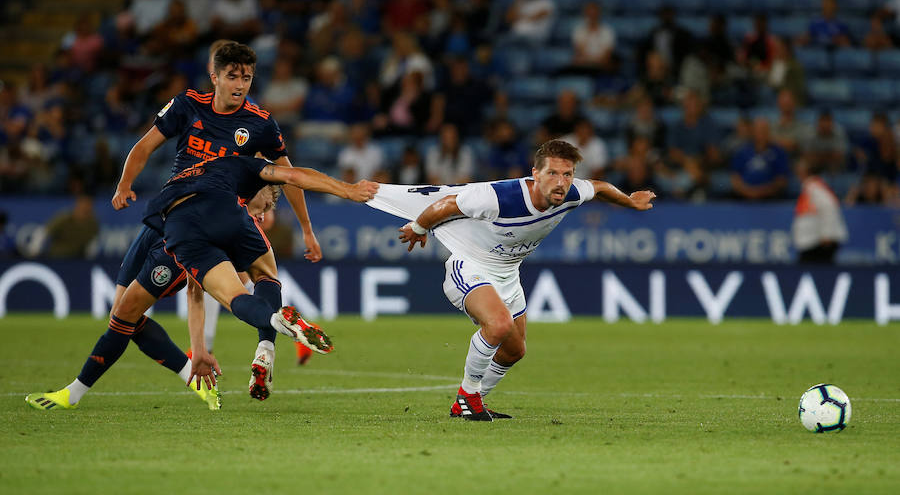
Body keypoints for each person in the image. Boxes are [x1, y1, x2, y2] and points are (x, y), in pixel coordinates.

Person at [367, 140, 655, 420]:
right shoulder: (501, 196)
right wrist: (419, 227)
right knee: (499, 324)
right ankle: (467, 399)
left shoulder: (571, 193)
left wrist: (630, 202)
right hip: (470, 264)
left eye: (567, 174)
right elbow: (448, 204)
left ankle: (470, 400)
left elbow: (601, 188)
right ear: (536, 174)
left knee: (515, 350)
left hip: (508, 273)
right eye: (552, 173)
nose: (560, 182)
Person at [109, 42, 322, 399]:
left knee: (219, 281)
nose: (240, 85)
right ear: (215, 76)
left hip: (211, 217)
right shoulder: (188, 105)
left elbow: (291, 175)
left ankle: (217, 355)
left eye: (248, 78)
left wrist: (307, 229)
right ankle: (241, 347)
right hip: (168, 213)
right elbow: (145, 145)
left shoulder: (259, 122)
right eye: (233, 76)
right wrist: (124, 184)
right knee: (121, 314)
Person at [24, 185, 279, 411]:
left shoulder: (229, 215)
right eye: (266, 203)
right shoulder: (223, 196)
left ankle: (72, 394)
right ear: (255, 189)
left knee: (124, 319)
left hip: (170, 251)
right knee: (122, 318)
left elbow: (199, 290)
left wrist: (201, 346)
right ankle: (195, 374)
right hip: (153, 237)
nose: (265, 213)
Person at [792, 162, 848, 264]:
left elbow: (829, 208)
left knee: (820, 274)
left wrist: (827, 234)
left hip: (819, 242)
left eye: (799, 171)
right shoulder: (809, 187)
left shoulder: (814, 188)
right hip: (812, 241)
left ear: (805, 172)